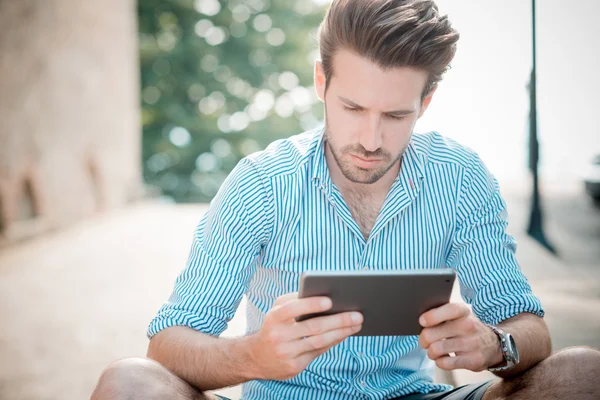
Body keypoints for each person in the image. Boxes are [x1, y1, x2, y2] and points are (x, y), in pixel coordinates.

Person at [91, 1, 600, 399]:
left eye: (396, 116)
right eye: (353, 107)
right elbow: (168, 342)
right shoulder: (261, 183)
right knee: (129, 383)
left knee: (582, 373)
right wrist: (252, 357)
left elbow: (531, 329)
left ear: (425, 104)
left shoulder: (461, 178)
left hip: (415, 394)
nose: (371, 139)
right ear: (321, 81)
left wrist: (493, 343)